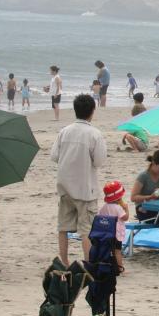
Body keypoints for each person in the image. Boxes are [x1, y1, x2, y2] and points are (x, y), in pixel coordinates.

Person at [50, 94, 107, 265]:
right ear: (92, 111)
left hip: (65, 187)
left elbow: (54, 156)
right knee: (86, 230)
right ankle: (88, 263)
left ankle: (65, 262)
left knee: (63, 227)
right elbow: (99, 161)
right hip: (85, 189)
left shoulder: (64, 131)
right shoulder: (94, 134)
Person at [91, 181, 128, 276]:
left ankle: (108, 266)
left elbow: (99, 217)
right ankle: (120, 268)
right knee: (117, 251)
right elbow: (125, 218)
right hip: (116, 234)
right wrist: (126, 209)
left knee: (108, 250)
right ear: (119, 197)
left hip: (106, 234)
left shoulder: (104, 207)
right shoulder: (118, 208)